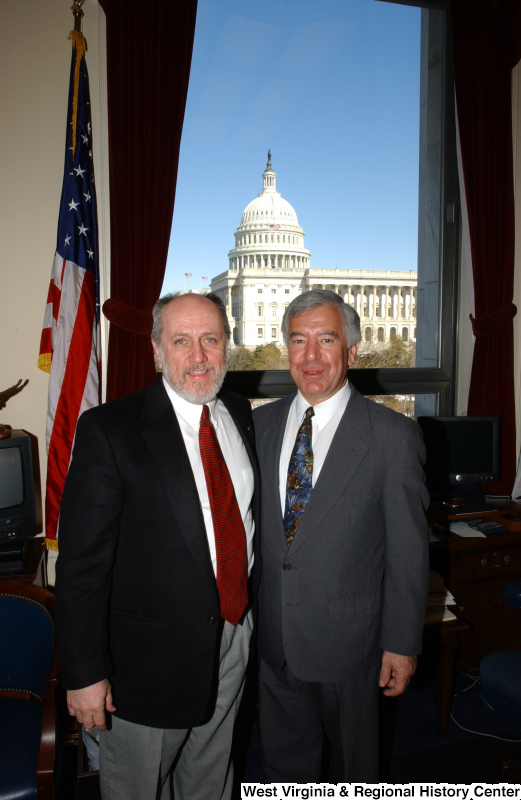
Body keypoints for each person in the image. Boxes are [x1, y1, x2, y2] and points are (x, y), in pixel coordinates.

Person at [55, 292, 260, 800]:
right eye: (181, 340)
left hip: (234, 634)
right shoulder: (110, 430)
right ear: (155, 349)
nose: (198, 356)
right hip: (145, 666)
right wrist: (84, 674)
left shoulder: (238, 411)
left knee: (211, 775)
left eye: (210, 340)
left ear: (227, 346)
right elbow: (81, 567)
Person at [253, 289, 429, 783]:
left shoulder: (393, 437)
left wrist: (401, 642)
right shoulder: (257, 425)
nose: (311, 356)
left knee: (356, 771)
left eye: (326, 340)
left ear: (351, 351)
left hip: (354, 648)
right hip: (274, 645)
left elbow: (408, 552)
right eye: (298, 340)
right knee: (284, 771)